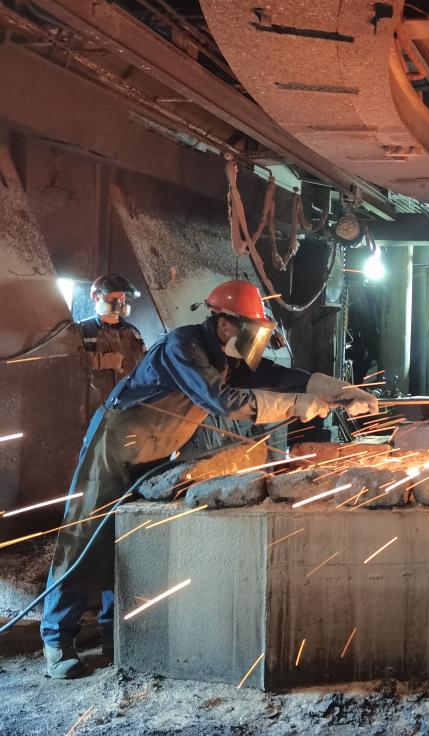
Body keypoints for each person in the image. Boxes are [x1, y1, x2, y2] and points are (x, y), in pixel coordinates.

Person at [40, 279, 378, 679]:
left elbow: (270, 374)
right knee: (85, 536)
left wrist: (331, 388)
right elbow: (224, 401)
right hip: (115, 444)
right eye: (250, 331)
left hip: (155, 449)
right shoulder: (183, 347)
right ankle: (57, 641)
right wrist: (297, 405)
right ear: (224, 322)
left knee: (130, 536)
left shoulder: (225, 354)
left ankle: (116, 633)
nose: (253, 341)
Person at [81, 274, 147, 412]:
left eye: (121, 299)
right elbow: (69, 367)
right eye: (113, 299)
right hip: (97, 409)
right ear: (96, 297)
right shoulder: (84, 330)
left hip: (131, 406)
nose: (119, 304)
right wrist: (100, 361)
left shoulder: (133, 332)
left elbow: (146, 364)